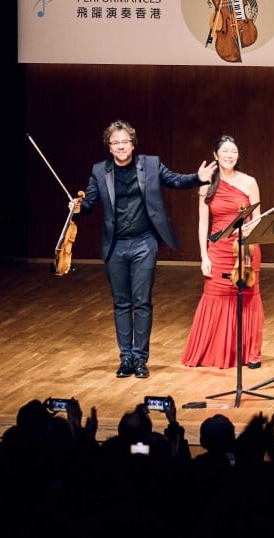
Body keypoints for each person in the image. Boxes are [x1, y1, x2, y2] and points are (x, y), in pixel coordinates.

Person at [75, 119, 216, 379]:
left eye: (124, 142)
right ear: (109, 147)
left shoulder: (150, 164)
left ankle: (140, 358)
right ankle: (125, 357)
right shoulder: (99, 171)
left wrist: (198, 178)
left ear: (132, 144)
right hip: (115, 245)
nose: (120, 146)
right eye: (115, 143)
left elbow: (174, 180)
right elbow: (90, 202)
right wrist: (77, 206)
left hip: (144, 243)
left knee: (141, 302)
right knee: (121, 303)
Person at [181, 135, 264, 369]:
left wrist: (249, 230)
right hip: (218, 249)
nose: (229, 155)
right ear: (216, 155)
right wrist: (203, 256)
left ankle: (250, 353)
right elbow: (202, 222)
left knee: (248, 299)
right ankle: (217, 352)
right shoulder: (207, 183)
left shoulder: (249, 182)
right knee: (216, 296)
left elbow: (257, 218)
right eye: (225, 151)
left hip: (246, 249)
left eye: (234, 151)